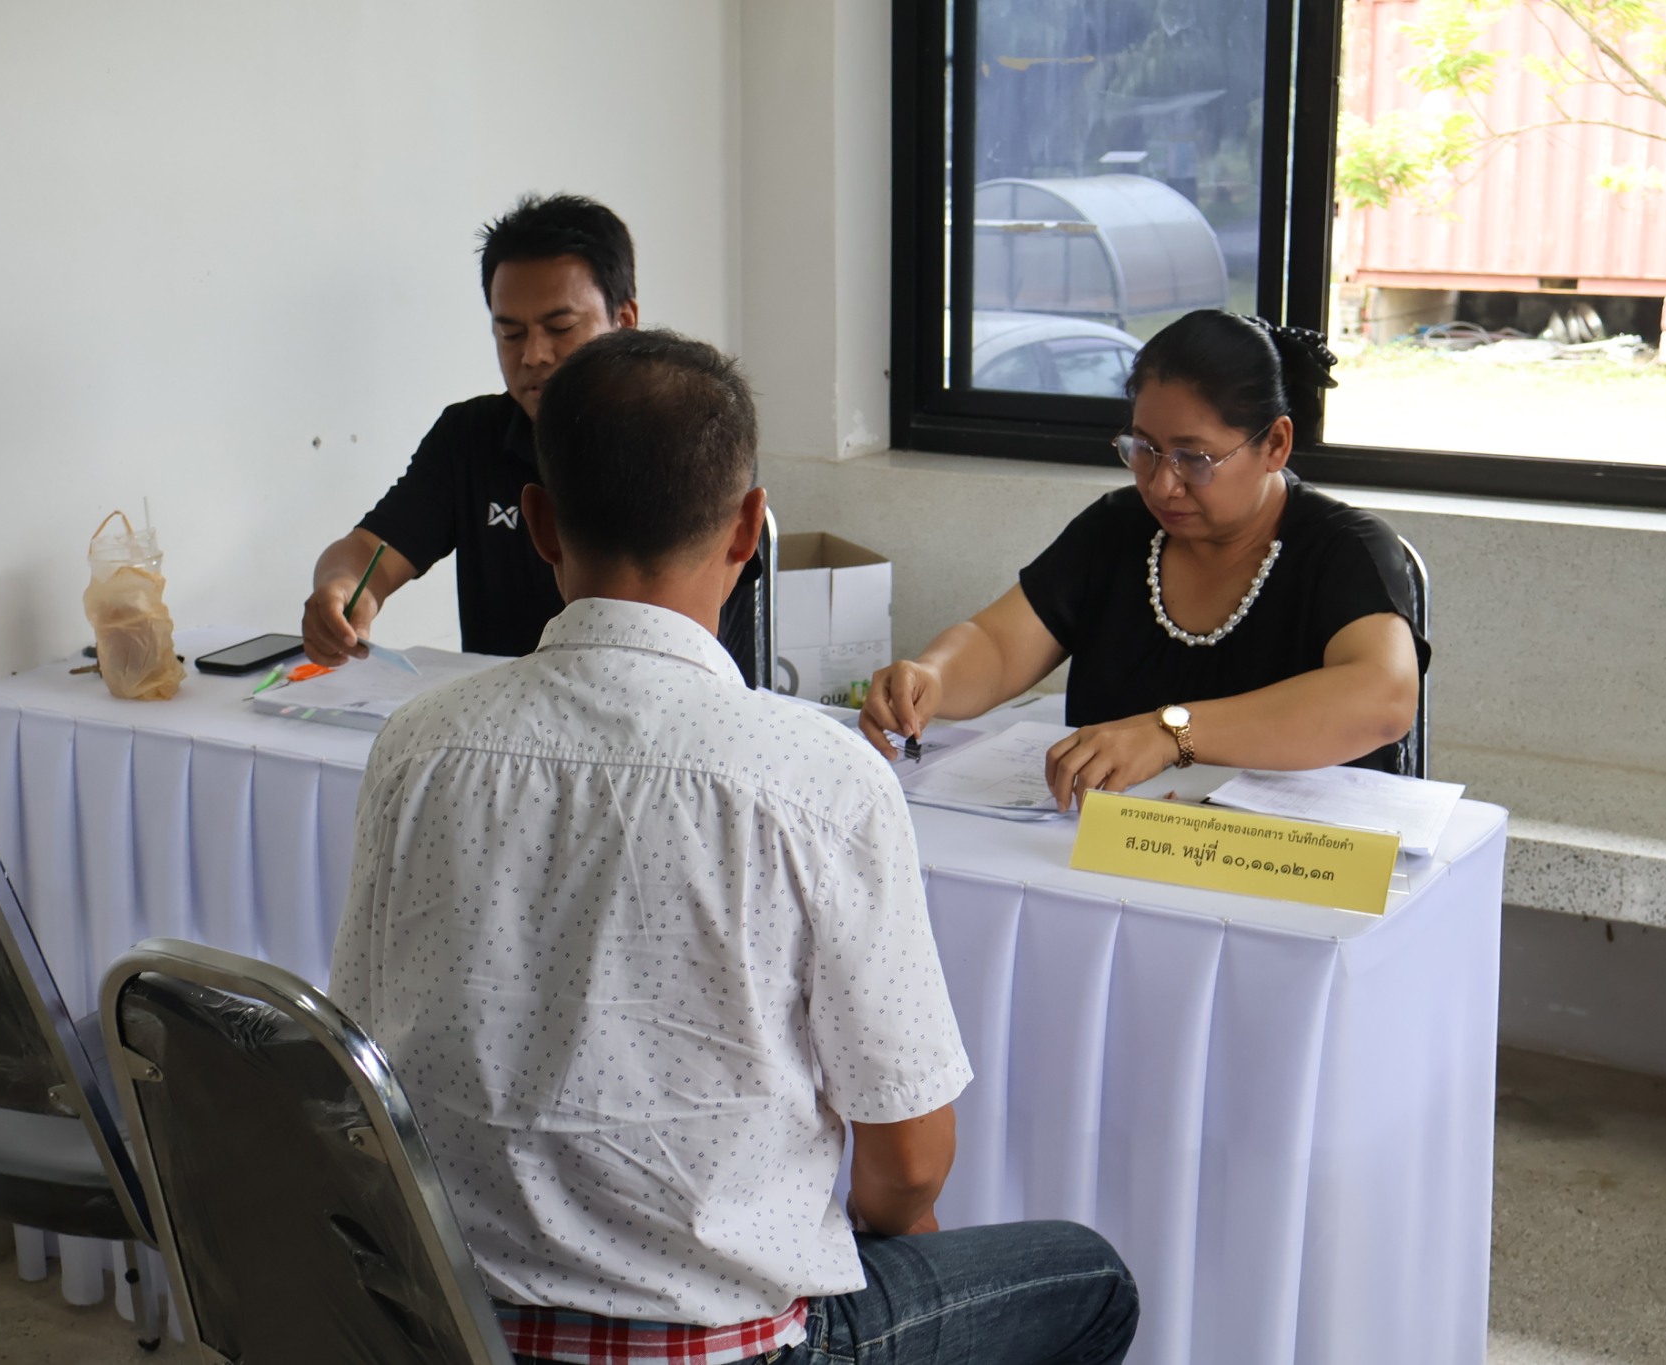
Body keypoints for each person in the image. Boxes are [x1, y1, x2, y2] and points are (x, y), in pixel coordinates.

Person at [329, 328, 1139, 1365]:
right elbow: (908, 1167)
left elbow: (362, 1067)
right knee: (1091, 1281)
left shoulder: (416, 745)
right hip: (729, 1346)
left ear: (538, 522)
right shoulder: (821, 777)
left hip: (455, 1331)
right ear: (750, 527)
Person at [860, 309, 1427, 809]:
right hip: (1113, 847)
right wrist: (933, 676)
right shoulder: (1118, 529)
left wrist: (1170, 733)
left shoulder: (1343, 548)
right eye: (1145, 450)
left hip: (1286, 858)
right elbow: (1000, 644)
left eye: (1194, 459)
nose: (1162, 485)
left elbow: (1382, 697)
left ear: (1275, 444)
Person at [300, 192, 763, 679]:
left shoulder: (690, 435)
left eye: (560, 327)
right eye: (511, 334)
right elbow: (370, 551)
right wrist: (340, 588)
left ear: (624, 321)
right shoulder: (470, 437)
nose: (534, 355)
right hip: (507, 716)